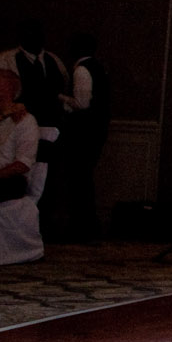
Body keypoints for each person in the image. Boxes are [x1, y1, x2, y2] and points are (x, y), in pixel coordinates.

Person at [60, 34, 111, 241]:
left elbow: (82, 103)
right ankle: (86, 226)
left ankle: (82, 227)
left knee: (79, 180)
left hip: (83, 134)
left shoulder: (82, 70)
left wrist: (60, 97)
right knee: (83, 179)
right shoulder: (99, 68)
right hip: (96, 132)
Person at [0, 69, 39, 222]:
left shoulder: (25, 121)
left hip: (8, 177)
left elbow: (22, 164)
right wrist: (3, 114)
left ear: (9, 88)